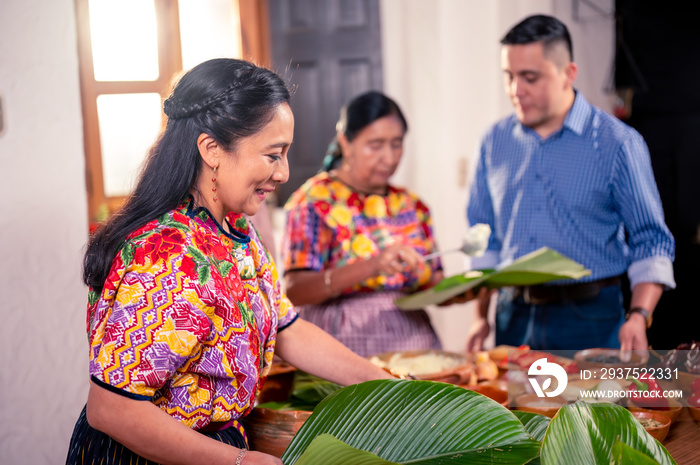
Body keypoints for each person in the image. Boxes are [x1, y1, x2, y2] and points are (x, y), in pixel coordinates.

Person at [66, 58, 393, 465]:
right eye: (273, 155)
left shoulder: (235, 228)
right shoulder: (167, 254)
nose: (284, 173)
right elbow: (111, 409)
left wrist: (383, 384)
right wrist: (237, 462)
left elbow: (285, 328)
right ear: (212, 149)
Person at [464, 15, 675, 353]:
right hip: (512, 315)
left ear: (568, 73)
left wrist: (639, 315)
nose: (516, 90)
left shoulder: (617, 143)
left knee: (591, 407)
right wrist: (480, 317)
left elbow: (651, 239)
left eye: (530, 77)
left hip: (589, 316)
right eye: (509, 76)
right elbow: (484, 237)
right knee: (510, 408)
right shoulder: (494, 141)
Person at [281, 90, 446, 358]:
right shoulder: (313, 202)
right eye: (376, 144)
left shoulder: (412, 205)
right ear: (346, 142)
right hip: (341, 343)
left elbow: (436, 279)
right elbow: (295, 292)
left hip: (413, 342)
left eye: (396, 144)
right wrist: (373, 266)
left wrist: (459, 291)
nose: (389, 158)